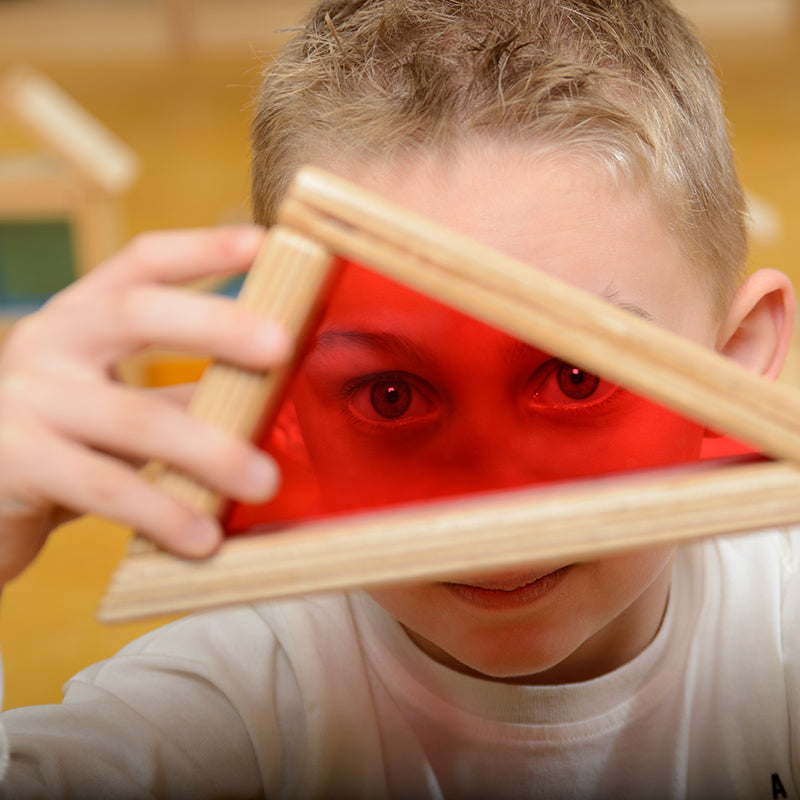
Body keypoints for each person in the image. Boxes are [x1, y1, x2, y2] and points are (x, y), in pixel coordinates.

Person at [0, 0, 797, 797]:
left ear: (733, 365)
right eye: (389, 396)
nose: (490, 505)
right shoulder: (230, 704)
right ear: (282, 407)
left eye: (575, 378)